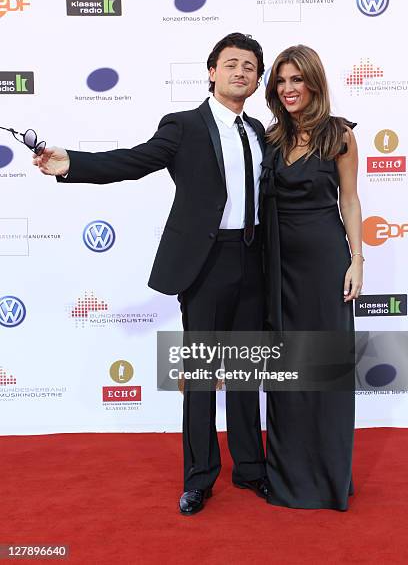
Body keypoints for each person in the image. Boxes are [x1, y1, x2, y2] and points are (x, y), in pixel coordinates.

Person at [32, 33, 277, 515]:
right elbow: (134, 161)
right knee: (203, 375)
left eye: (250, 67)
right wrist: (71, 164)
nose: (240, 73)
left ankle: (251, 470)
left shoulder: (261, 133)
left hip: (255, 259)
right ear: (211, 72)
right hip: (206, 263)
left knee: (247, 373)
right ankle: (200, 477)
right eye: (231, 64)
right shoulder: (184, 126)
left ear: (256, 78)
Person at [261, 44, 363, 510]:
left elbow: (349, 200)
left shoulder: (338, 134)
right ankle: (288, 475)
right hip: (277, 266)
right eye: (281, 80)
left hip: (324, 265)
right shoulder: (270, 138)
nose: (288, 89)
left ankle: (328, 474)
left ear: (314, 83)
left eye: (296, 79)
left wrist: (357, 259)